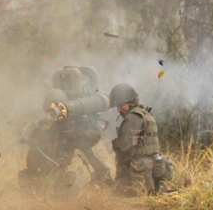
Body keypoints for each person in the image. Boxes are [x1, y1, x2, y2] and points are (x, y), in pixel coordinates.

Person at [19, 67, 111, 195]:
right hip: (48, 172)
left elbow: (87, 140)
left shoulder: (65, 126)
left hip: (52, 171)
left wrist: (70, 129)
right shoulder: (47, 126)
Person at [109, 82, 161, 196]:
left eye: (121, 105)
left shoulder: (133, 117)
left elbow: (125, 149)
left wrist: (119, 181)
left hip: (138, 175)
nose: (119, 110)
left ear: (130, 102)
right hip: (150, 171)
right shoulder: (146, 114)